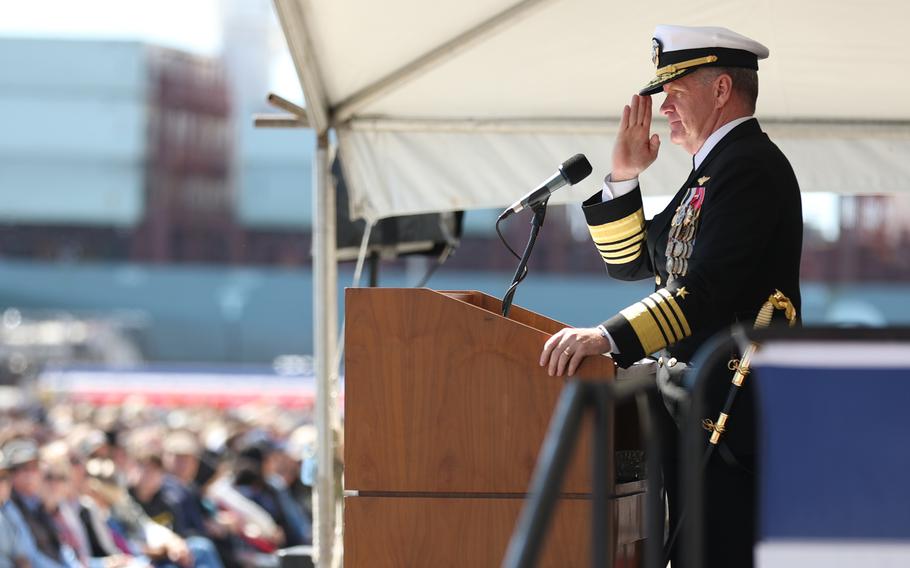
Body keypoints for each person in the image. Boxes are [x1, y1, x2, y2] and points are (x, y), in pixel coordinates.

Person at [539, 25, 802, 568]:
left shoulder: (748, 168)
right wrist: (624, 176)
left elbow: (699, 293)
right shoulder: (715, 170)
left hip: (732, 414)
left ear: (722, 89)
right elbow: (635, 263)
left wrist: (606, 337)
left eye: (675, 93)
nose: (664, 110)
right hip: (701, 408)